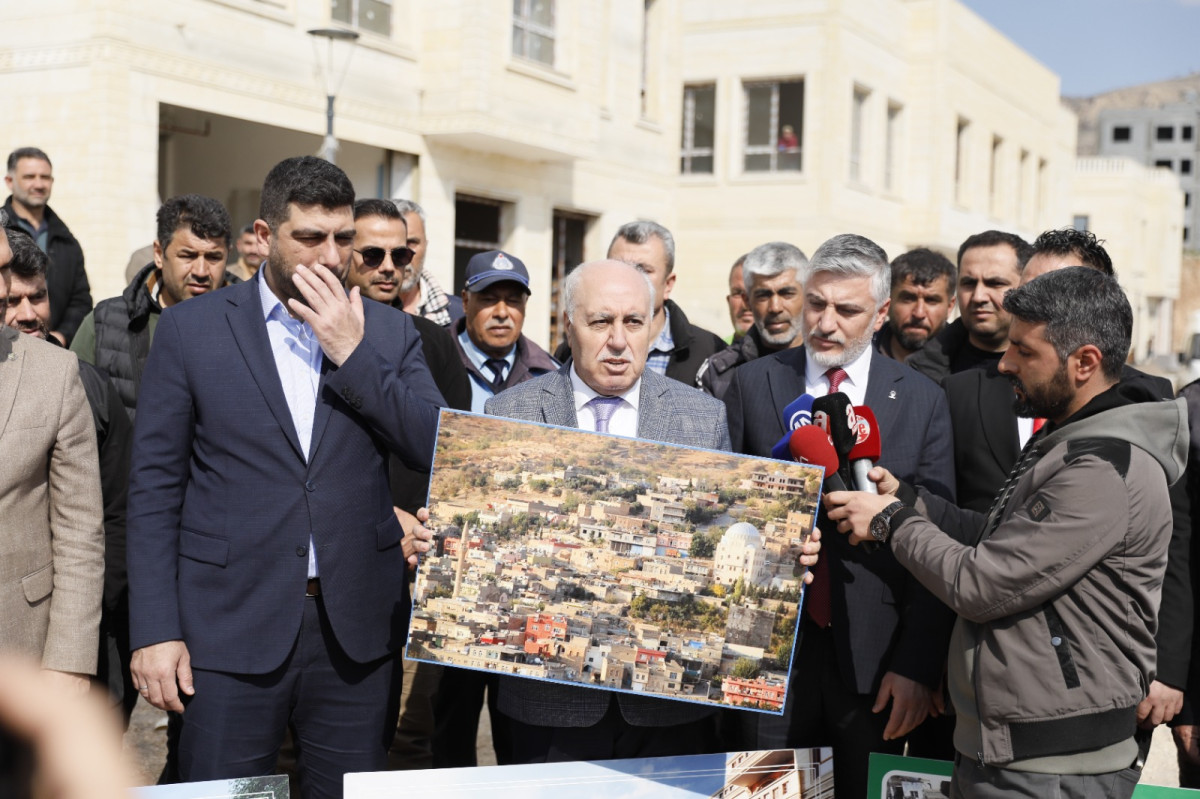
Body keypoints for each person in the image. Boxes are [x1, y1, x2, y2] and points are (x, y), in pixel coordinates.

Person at [126, 156, 444, 798]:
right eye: (310, 238)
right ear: (265, 236)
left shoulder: (386, 332)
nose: (330, 256)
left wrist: (353, 354)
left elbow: (434, 444)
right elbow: (155, 490)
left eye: (342, 237)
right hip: (227, 627)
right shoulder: (193, 329)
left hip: (354, 632)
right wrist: (156, 631)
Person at [827, 267, 1186, 798]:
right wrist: (909, 501)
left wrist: (889, 521)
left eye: (1024, 351)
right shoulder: (1074, 444)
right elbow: (1004, 543)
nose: (1004, 363)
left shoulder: (1102, 468)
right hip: (1020, 753)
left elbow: (982, 584)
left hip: (1052, 765)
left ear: (1084, 362)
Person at [486, 259, 819, 763]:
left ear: (652, 326)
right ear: (568, 326)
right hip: (546, 705)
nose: (618, 341)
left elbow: (723, 530)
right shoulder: (508, 414)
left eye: (633, 322)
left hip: (669, 711)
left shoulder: (702, 417)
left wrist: (781, 552)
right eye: (601, 322)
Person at [722, 233, 955, 799]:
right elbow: (723, 511)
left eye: (846, 310)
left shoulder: (923, 400)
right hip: (766, 656)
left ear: (879, 316)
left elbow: (938, 544)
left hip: (875, 666)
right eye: (816, 304)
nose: (825, 323)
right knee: (763, 793)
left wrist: (918, 665)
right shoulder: (753, 384)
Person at [345, 197, 470, 771]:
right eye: (373, 254)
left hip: (413, 562)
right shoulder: (305, 337)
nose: (389, 266)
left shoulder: (431, 341)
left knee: (406, 733)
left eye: (402, 253)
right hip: (334, 556)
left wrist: (417, 524)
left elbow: (450, 452)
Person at [1, 224, 135, 722]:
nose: (24, 312)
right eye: (12, 295)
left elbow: (96, 525)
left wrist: (74, 656)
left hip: (32, 643)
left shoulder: (68, 379)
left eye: (37, 296)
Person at [71, 194, 232, 418]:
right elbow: (73, 419)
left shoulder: (254, 322)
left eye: (214, 257)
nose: (201, 271)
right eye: (188, 255)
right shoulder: (103, 325)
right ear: (159, 254)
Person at [556, 221, 724, 387]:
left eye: (644, 270)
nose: (629, 277)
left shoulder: (710, 352)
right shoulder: (573, 350)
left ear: (668, 284)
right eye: (619, 266)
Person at [907, 230, 1032, 383]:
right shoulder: (918, 371)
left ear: (1025, 287)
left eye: (995, 283)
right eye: (969, 283)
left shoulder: (1049, 372)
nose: (978, 297)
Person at [3, 147, 91, 344]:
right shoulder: (1, 234)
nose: (38, 184)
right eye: (29, 177)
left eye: (45, 177)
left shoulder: (67, 240)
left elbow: (81, 301)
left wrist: (60, 337)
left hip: (55, 350)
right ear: (10, 181)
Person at [698, 241, 807, 400]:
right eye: (763, 295)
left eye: (786, 294)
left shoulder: (831, 360)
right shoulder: (719, 372)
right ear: (747, 301)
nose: (775, 307)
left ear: (808, 294)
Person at [454, 249, 558, 413]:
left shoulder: (550, 375)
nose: (501, 313)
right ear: (466, 301)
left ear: (525, 305)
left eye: (513, 301)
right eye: (488, 300)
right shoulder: (432, 361)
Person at [875, 248, 956, 362]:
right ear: (887, 302)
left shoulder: (966, 367)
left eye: (931, 300)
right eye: (908, 299)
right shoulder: (859, 354)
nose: (919, 313)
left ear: (949, 307)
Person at [393, 199, 463, 327]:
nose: (403, 254)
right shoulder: (355, 313)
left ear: (425, 245)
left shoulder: (460, 318)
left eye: (411, 243)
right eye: (395, 244)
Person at [725, 254, 754, 342]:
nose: (745, 305)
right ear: (728, 301)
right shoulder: (714, 351)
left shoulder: (793, 353)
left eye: (754, 293)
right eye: (737, 293)